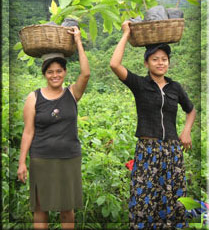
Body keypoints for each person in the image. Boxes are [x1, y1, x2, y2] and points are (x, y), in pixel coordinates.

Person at [110, 21, 196, 229]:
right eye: (155, 59)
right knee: (144, 200)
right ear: (147, 63)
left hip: (172, 151)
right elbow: (114, 64)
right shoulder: (139, 84)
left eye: (164, 59)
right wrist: (126, 33)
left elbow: (191, 110)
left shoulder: (175, 87)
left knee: (173, 200)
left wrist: (186, 131)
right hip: (148, 151)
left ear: (168, 63)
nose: (160, 63)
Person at [17, 26, 90, 230]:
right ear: (44, 74)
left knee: (67, 210)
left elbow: (86, 74)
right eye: (50, 72)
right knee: (41, 210)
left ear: (65, 72)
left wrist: (78, 42)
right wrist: (22, 162)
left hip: (69, 158)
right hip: (42, 159)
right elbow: (28, 131)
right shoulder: (34, 98)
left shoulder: (72, 94)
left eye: (59, 71)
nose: (55, 75)